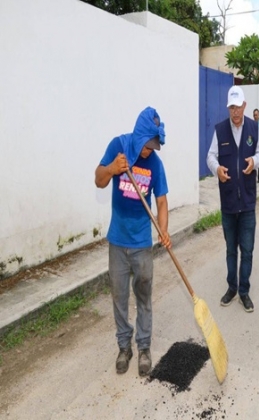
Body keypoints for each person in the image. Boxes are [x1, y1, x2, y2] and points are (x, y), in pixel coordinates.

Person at [95, 107, 171, 376]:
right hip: (117, 240)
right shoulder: (119, 146)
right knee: (119, 296)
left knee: (144, 296)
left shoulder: (155, 165)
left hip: (141, 243)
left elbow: (161, 201)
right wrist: (113, 168)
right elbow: (99, 180)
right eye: (147, 145)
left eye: (153, 146)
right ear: (139, 136)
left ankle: (144, 347)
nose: (149, 151)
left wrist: (163, 230)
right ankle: (124, 346)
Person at [207, 86, 259, 312]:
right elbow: (210, 156)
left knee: (247, 249)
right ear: (229, 108)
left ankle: (244, 291)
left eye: (239, 107)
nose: (235, 112)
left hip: (248, 202)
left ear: (245, 105)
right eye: (232, 107)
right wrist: (217, 169)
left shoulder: (253, 127)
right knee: (231, 249)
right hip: (229, 202)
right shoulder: (220, 130)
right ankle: (232, 287)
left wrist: (255, 162)